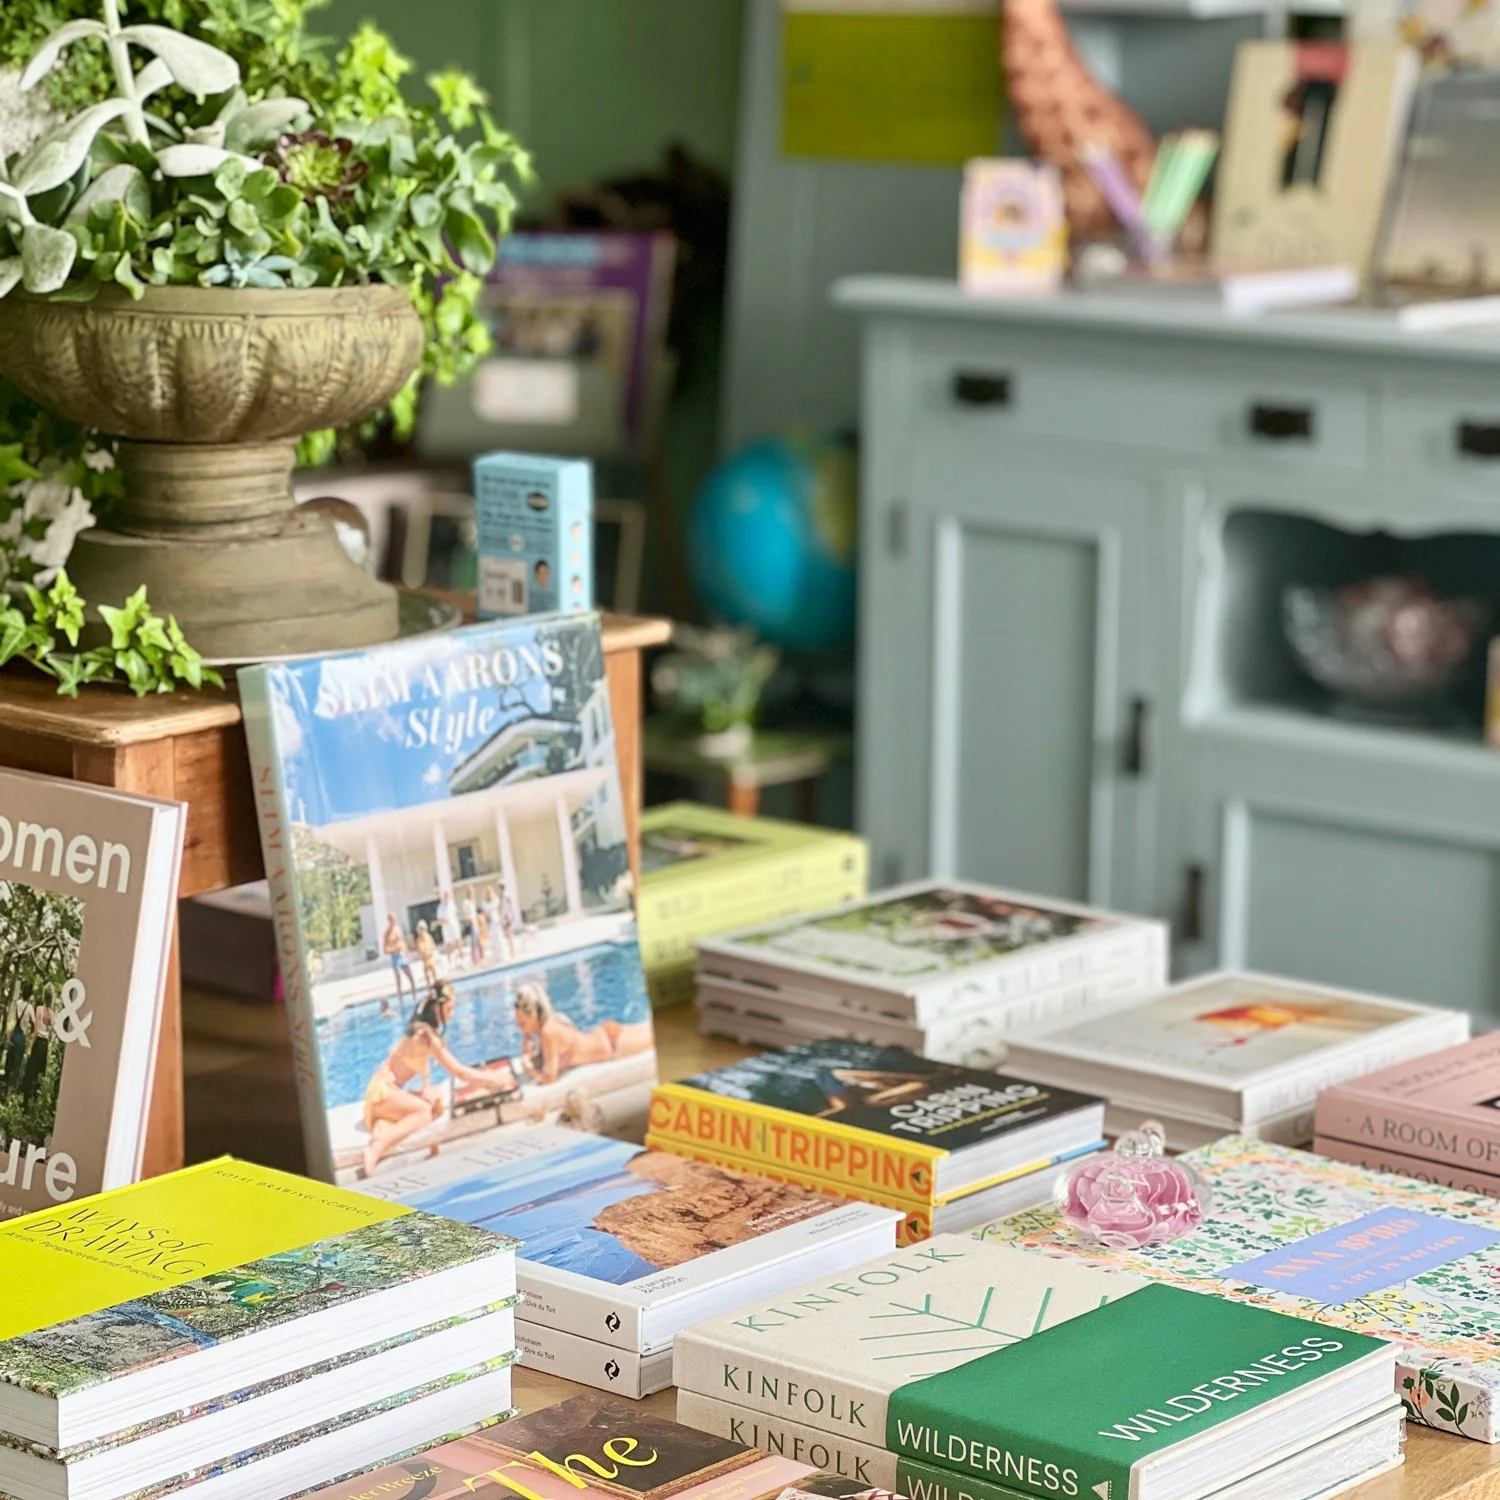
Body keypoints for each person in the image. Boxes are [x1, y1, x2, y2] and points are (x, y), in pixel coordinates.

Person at [359, 984, 520, 1178]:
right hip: (382, 1094)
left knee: (435, 1099)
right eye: (449, 1009)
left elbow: (426, 1076)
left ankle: (394, 1132)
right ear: (437, 1009)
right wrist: (495, 1079)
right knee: (424, 1112)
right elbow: (460, 1073)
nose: (452, 1014)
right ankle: (377, 1146)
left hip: (384, 1095)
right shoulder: (425, 1036)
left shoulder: (422, 1031)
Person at [512, 982, 653, 1087]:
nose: (520, 1027)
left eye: (522, 1023)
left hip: (611, 1046)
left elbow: (550, 1079)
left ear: (533, 1015)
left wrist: (530, 1071)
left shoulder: (548, 1033)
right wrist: (526, 1036)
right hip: (604, 1035)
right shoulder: (553, 1019)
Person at [382, 914, 417, 1007]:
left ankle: (414, 997)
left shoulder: (398, 929)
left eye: (395, 919)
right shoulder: (387, 933)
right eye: (392, 919)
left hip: (402, 955)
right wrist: (394, 949)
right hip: (395, 957)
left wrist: (407, 954)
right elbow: (385, 950)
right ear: (389, 920)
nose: (394, 921)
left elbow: (402, 942)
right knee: (398, 981)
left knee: (411, 977)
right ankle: (401, 1002)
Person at [413, 919, 439, 995]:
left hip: (430, 958)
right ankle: (430, 991)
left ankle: (437, 990)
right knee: (427, 977)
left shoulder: (428, 937)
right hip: (425, 960)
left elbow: (433, 946)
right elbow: (419, 950)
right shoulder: (419, 940)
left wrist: (430, 951)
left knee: (434, 975)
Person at [482, 885, 508, 961]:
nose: (488, 894)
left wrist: (501, 920)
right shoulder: (484, 903)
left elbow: (499, 910)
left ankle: (503, 956)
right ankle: (496, 957)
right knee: (493, 940)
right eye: (487, 893)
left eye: (489, 892)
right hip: (490, 924)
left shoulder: (496, 900)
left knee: (499, 939)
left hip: (497, 922)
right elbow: (484, 914)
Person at [437, 890, 462, 967]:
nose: (446, 897)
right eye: (445, 896)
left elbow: (456, 914)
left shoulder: (452, 904)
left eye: (447, 895)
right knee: (448, 944)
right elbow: (439, 919)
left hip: (454, 926)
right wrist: (445, 921)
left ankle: (460, 958)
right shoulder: (440, 907)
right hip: (446, 928)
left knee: (458, 940)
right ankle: (449, 961)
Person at [461, 892, 481, 964]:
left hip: (476, 922)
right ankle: (474, 959)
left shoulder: (473, 902)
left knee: (478, 940)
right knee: (473, 941)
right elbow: (464, 910)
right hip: (471, 923)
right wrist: (469, 917)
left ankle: (479, 957)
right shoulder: (466, 902)